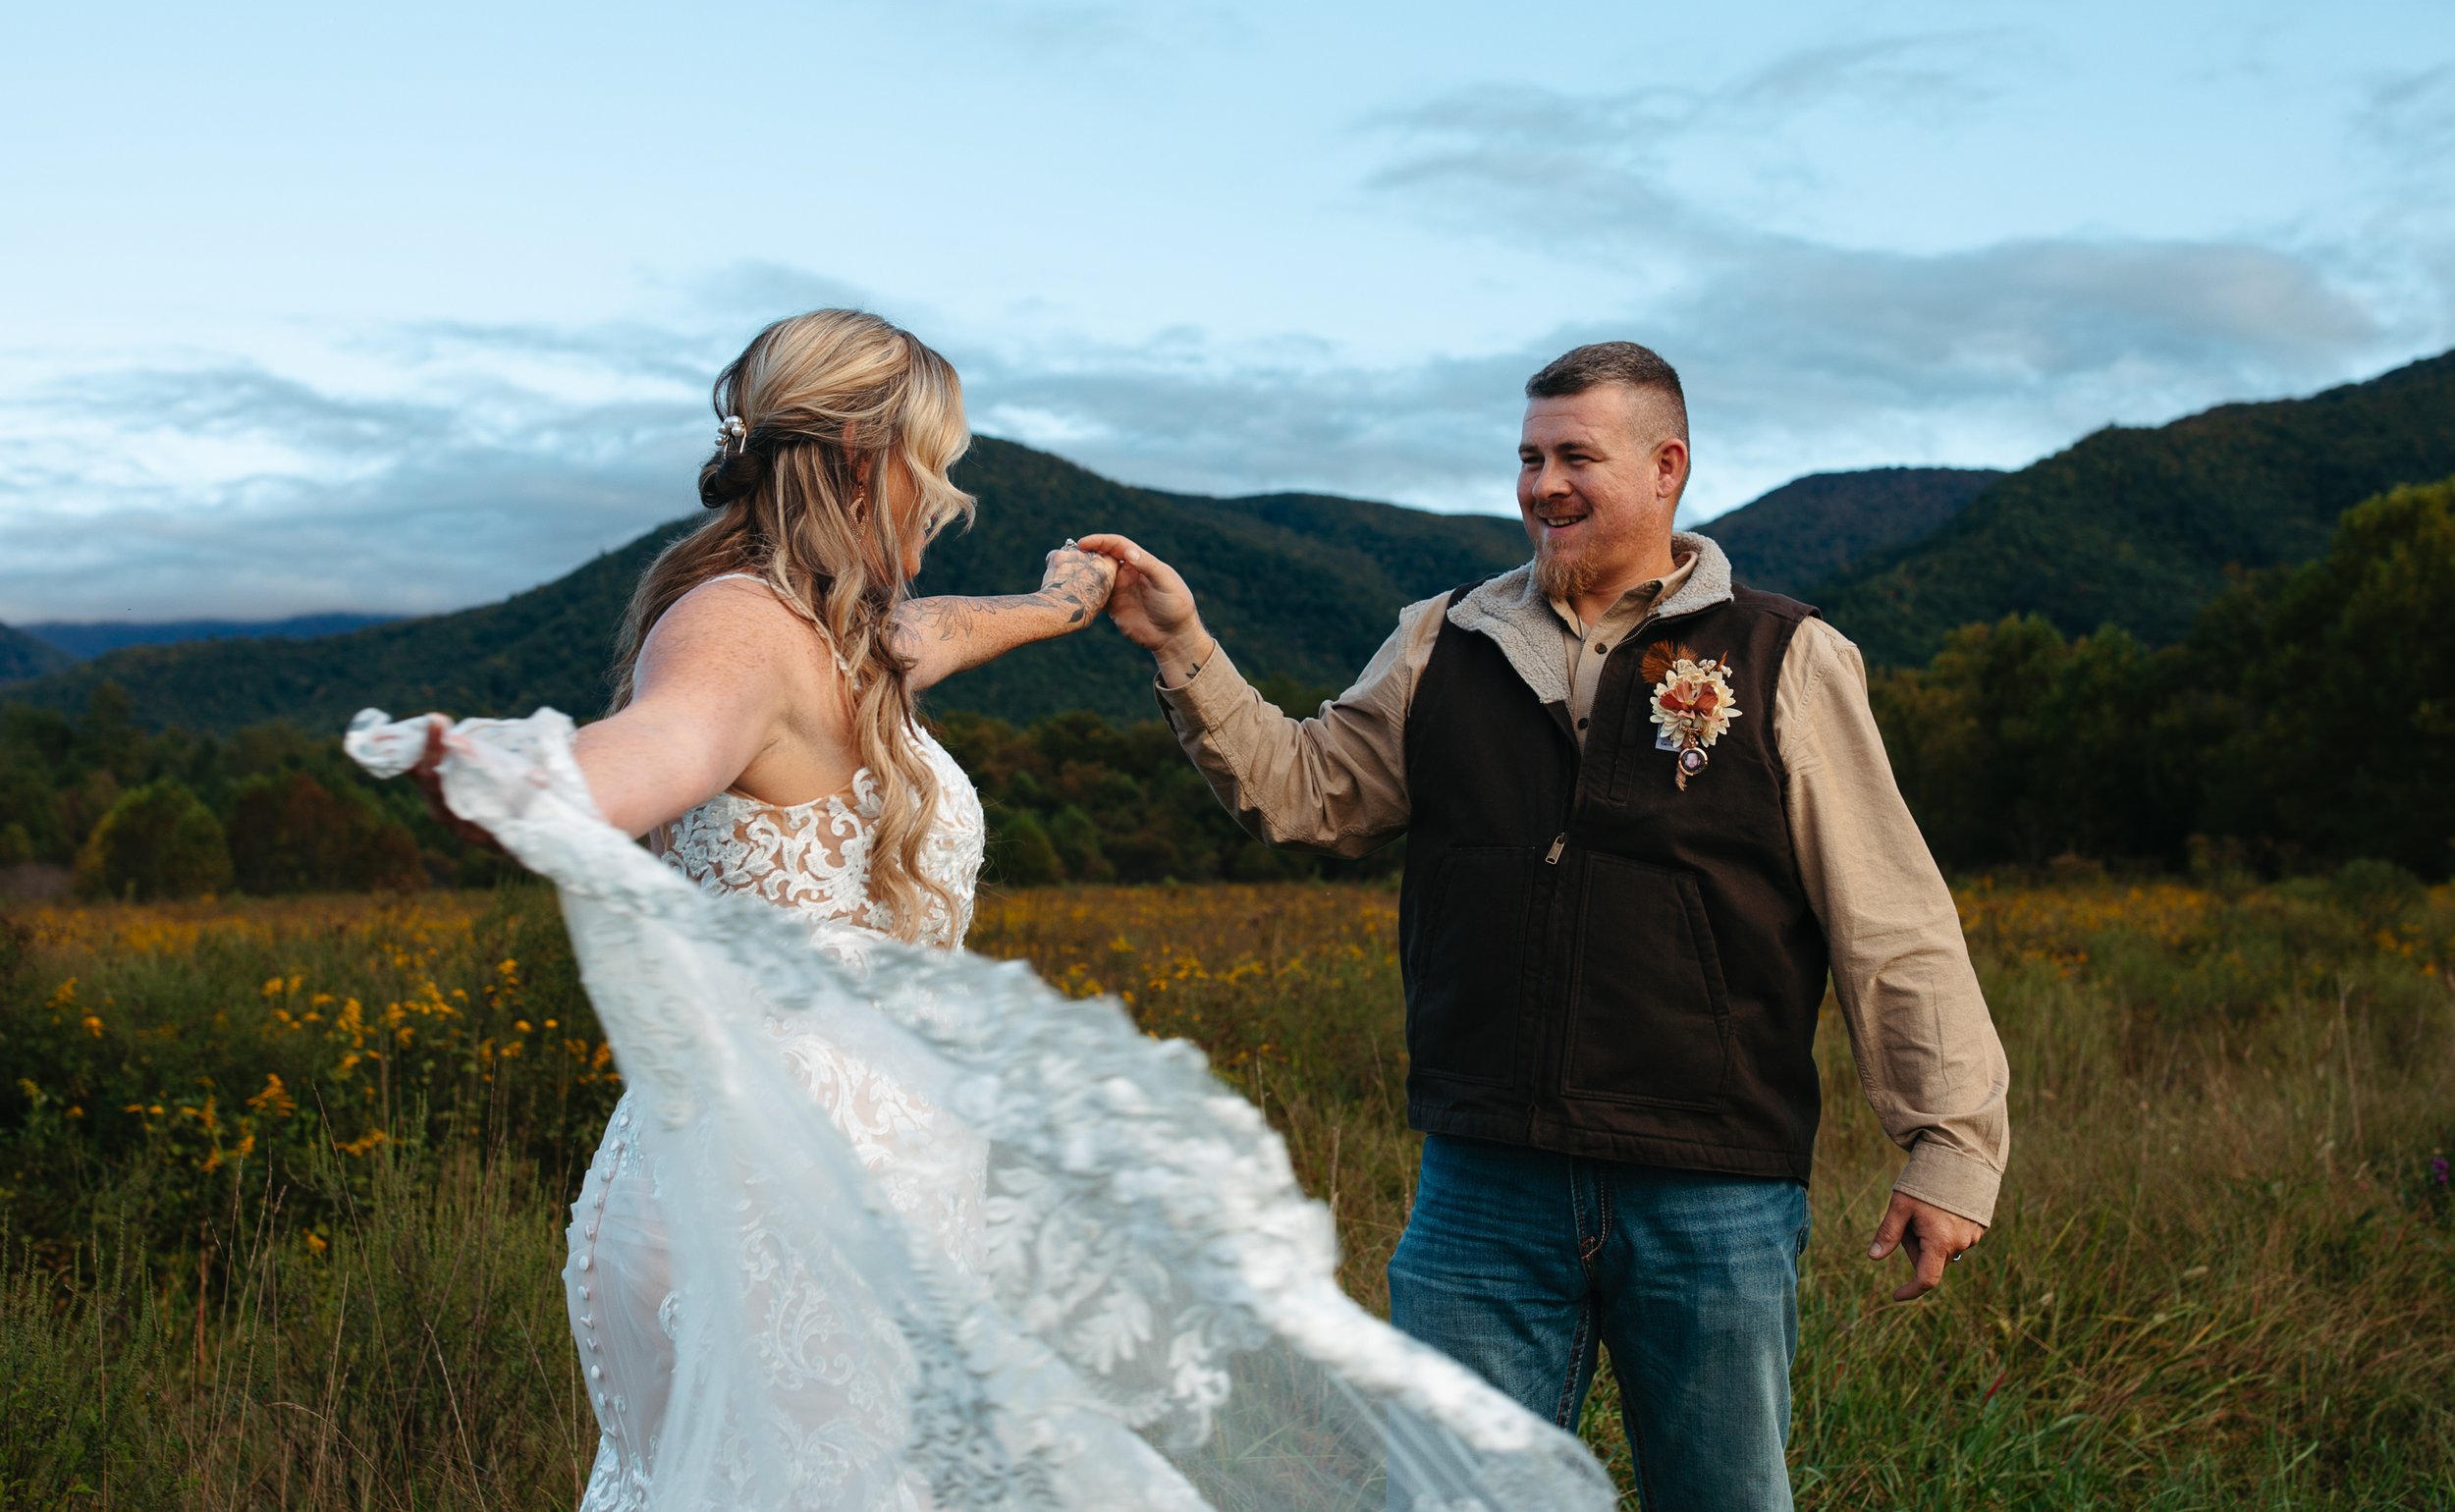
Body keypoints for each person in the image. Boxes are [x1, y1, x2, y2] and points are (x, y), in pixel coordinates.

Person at [365, 308, 1617, 1511]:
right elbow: (659, 746)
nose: (944, 498)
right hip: (778, 1195)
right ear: (866, 465)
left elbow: (934, 631)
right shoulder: (739, 632)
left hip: (833, 1175)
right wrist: (525, 781)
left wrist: (1068, 600)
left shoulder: (838, 638)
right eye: (934, 467)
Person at [1079, 340, 2011, 1512]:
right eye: (1528, 457)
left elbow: (1888, 911)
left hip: (1708, 1182)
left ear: (1667, 466)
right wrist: (1181, 645)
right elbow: (1306, 790)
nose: (1541, 484)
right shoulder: (1442, 639)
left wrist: (1949, 1141)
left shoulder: (1786, 655)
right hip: (1484, 1182)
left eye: (1577, 455)